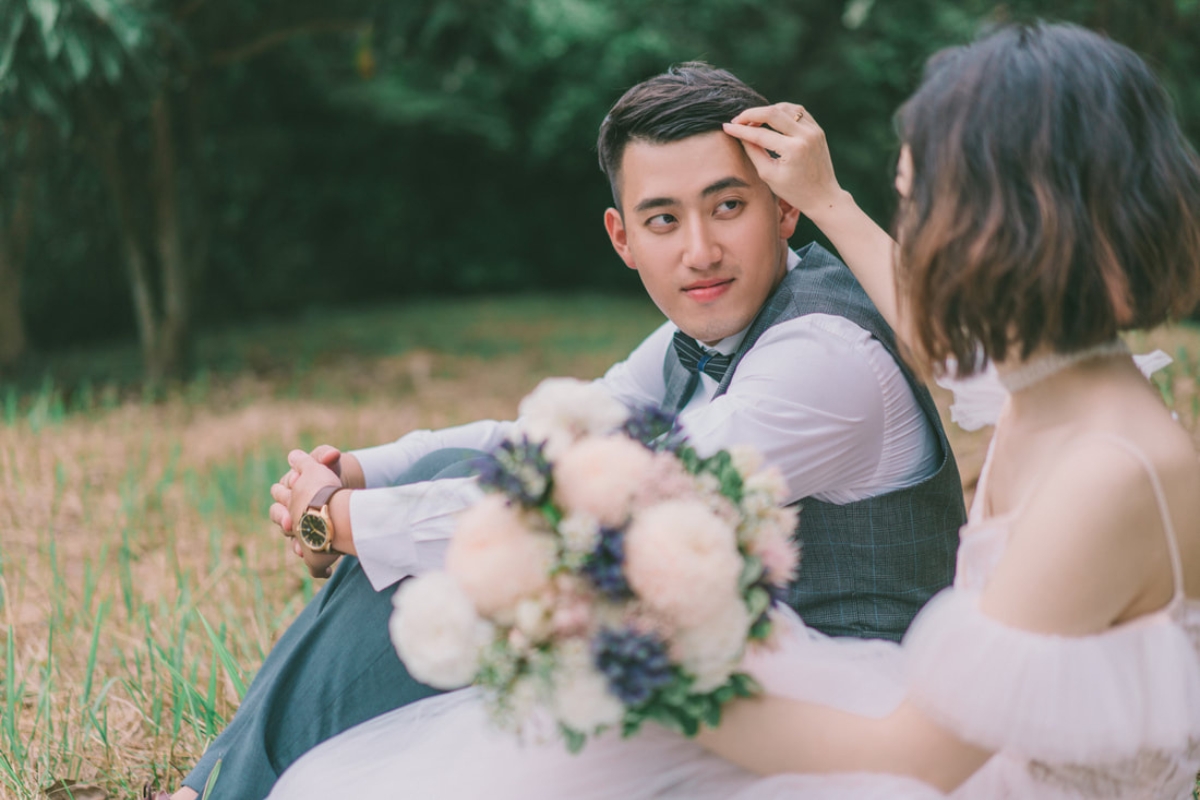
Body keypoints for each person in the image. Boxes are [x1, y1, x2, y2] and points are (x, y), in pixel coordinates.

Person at [264, 21, 1200, 799]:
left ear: (1008, 229)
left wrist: (653, 679)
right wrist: (827, 199)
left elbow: (921, 758)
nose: (910, 240)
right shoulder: (1059, 383)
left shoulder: (1108, 476)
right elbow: (941, 338)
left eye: (919, 209)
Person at [167, 63, 963, 799]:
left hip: (826, 694)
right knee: (454, 477)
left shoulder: (825, 355)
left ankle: (223, 788)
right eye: (663, 219)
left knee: (461, 552)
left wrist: (347, 522)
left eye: (728, 206)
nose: (700, 250)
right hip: (723, 651)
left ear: (783, 208)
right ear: (623, 238)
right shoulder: (710, 329)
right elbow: (547, 434)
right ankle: (226, 785)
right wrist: (364, 473)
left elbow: (618, 514)